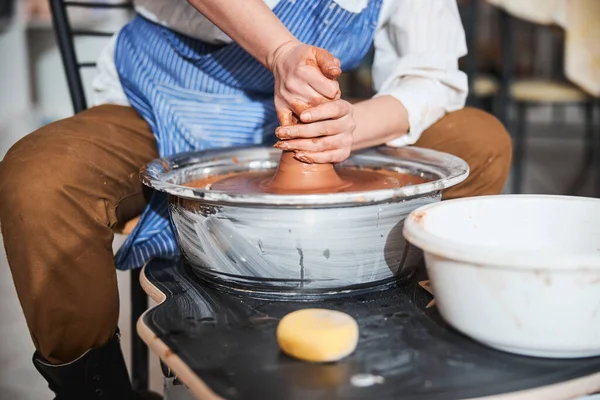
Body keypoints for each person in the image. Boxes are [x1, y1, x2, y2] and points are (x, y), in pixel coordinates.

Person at [0, 0, 512, 398]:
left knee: (480, 143)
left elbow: (432, 74)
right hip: (159, 103)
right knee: (40, 180)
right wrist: (280, 52)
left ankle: (395, 328)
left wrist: (349, 128)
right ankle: (96, 390)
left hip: (300, 123)